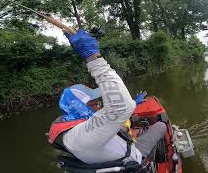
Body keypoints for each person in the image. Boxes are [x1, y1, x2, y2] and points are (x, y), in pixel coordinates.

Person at [48, 29, 167, 165]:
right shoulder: (77, 138)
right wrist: (93, 58)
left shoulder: (75, 129)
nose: (99, 105)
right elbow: (122, 107)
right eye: (94, 103)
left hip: (116, 151)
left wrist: (133, 102)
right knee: (161, 125)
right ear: (79, 106)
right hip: (133, 157)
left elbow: (115, 111)